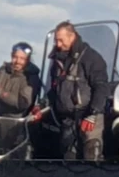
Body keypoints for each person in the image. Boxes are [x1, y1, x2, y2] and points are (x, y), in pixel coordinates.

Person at [34, 21, 109, 160]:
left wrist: (92, 114)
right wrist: (42, 105)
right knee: (69, 161)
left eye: (61, 40)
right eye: (56, 40)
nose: (58, 44)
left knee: (91, 157)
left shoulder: (91, 58)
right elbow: (54, 90)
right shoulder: (57, 61)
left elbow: (102, 87)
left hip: (89, 117)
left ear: (72, 36)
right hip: (68, 122)